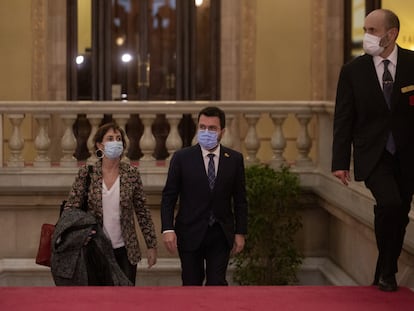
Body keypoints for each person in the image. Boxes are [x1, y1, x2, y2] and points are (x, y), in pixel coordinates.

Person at [332, 9, 414, 292]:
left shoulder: (413, 64)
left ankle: (384, 269)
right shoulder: (353, 71)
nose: (366, 36)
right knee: (389, 202)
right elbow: (343, 119)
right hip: (373, 155)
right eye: (365, 29)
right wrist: (339, 161)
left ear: (391, 34)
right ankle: (389, 269)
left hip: (407, 155)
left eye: (372, 30)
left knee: (399, 212)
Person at [161, 106, 248, 286]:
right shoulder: (181, 158)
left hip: (220, 233)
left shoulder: (234, 159)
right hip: (189, 232)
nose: (206, 132)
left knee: (217, 284)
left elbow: (240, 200)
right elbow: (169, 196)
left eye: (212, 128)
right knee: (191, 284)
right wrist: (167, 229)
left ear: (222, 132)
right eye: (202, 127)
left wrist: (240, 232)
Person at [63, 122, 158, 285]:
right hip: (95, 249)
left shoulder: (131, 174)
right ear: (100, 145)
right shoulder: (87, 174)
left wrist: (151, 245)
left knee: (124, 301)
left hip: (126, 251)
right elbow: (71, 209)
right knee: (97, 300)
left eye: (118, 138)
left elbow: (142, 211)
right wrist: (80, 236)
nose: (116, 142)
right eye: (110, 138)